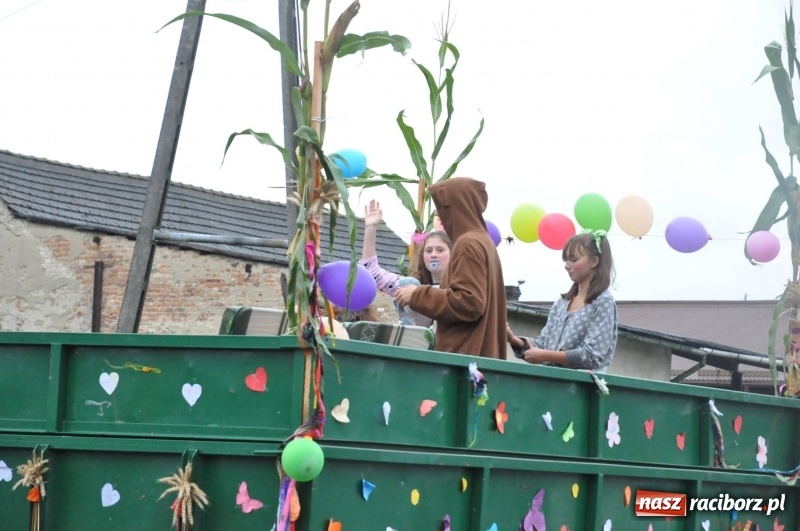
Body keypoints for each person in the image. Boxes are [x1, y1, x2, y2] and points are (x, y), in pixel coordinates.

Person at [393, 177, 507, 359]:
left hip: (464, 360)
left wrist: (417, 295)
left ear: (456, 207)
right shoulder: (484, 242)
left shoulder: (468, 244)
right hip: (477, 359)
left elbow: (470, 303)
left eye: (442, 209)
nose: (440, 216)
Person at [506, 231, 618, 372]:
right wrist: (512, 339)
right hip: (553, 382)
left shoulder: (603, 302)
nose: (566, 265)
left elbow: (592, 355)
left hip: (582, 384)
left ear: (594, 261)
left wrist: (545, 355)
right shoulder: (561, 303)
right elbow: (544, 344)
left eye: (574, 259)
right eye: (566, 260)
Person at [359, 199, 452, 326]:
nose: (433, 254)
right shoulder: (410, 286)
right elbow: (372, 273)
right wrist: (370, 228)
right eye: (429, 250)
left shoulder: (461, 291)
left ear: (454, 255)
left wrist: (419, 295)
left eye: (440, 250)